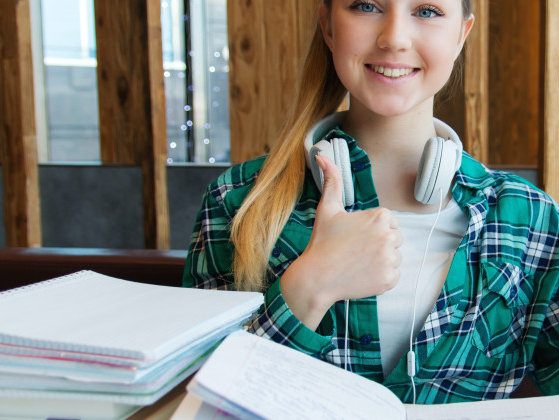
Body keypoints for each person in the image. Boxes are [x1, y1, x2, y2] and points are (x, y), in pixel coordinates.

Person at [183, 0, 559, 403]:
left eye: (428, 11)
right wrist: (310, 285)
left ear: (461, 34)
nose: (394, 38)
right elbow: (203, 403)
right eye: (366, 6)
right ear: (328, 27)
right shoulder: (238, 201)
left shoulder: (529, 217)